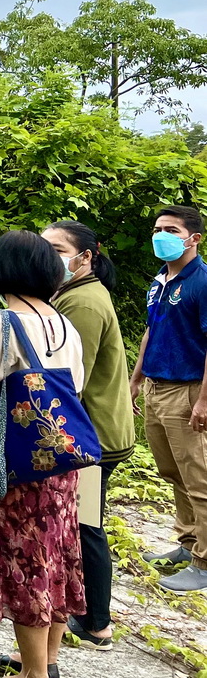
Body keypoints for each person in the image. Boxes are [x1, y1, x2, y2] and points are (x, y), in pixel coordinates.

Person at [0, 231, 85, 678]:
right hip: (59, 462)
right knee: (56, 556)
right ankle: (47, 660)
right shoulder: (64, 322)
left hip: (15, 466)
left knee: (24, 560)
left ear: (2, 270)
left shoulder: (3, 322)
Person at [43, 220, 134, 649]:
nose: (48, 256)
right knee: (83, 522)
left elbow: (68, 381)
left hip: (94, 438)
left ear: (85, 257)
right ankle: (90, 615)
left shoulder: (83, 303)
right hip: (92, 432)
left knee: (84, 524)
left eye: (57, 249)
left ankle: (97, 622)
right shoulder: (73, 294)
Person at [130, 204, 207, 592]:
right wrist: (136, 379)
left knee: (199, 478)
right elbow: (150, 333)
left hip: (188, 389)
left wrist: (203, 401)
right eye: (158, 228)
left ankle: (205, 562)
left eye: (172, 230)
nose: (162, 235)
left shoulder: (201, 281)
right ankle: (187, 541)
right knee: (171, 471)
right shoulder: (161, 279)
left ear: (194, 238)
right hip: (157, 388)